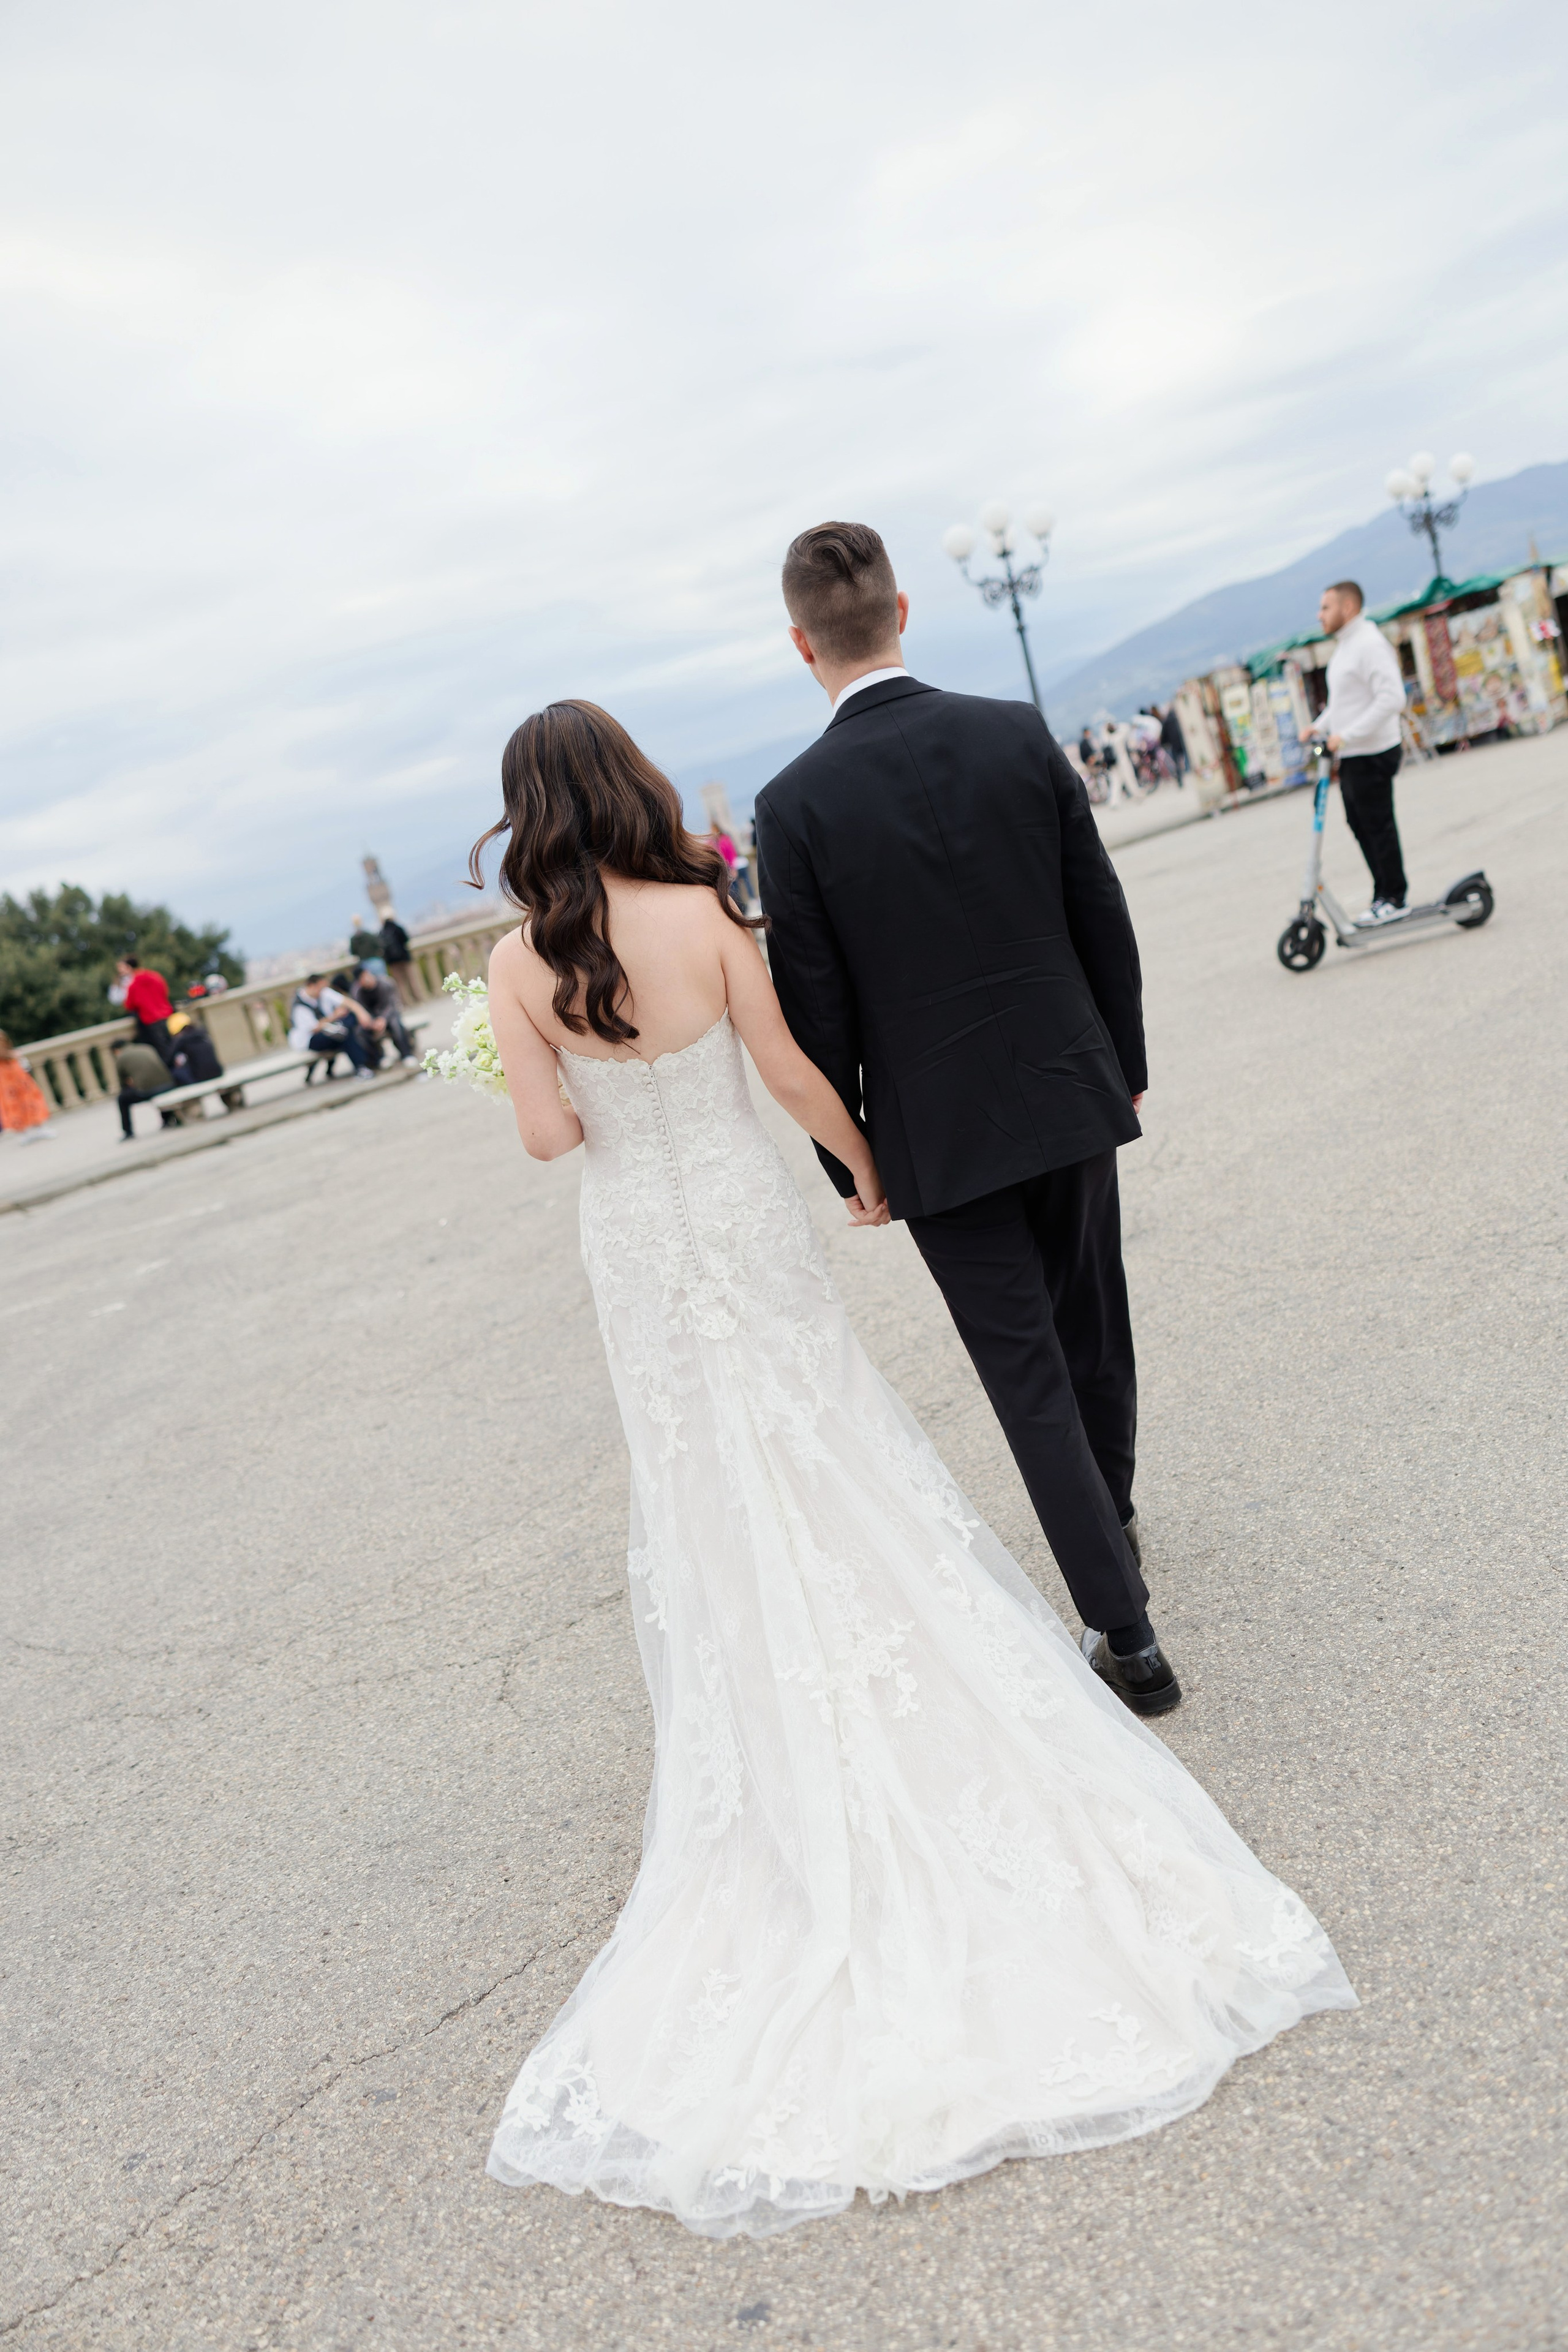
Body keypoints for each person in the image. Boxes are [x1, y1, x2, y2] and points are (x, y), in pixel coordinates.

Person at [478, 696, 1354, 2237]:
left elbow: (550, 1140)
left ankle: (766, 1702)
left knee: (704, 1471)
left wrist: (529, 1074)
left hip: (638, 1243)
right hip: (743, 1219)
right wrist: (862, 1165)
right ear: (625, 784)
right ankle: (1045, 1617)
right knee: (821, 1429)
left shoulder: (513, 964)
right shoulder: (696, 909)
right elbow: (792, 1067)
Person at [758, 523, 1163, 1705]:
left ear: (801, 645)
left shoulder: (794, 806)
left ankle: (1127, 1637)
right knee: (1095, 1325)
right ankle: (1115, 1523)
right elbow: (1102, 912)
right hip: (1067, 1086)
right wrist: (1121, 1063)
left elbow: (814, 1007)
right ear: (904, 610)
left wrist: (853, 1167)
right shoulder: (1014, 730)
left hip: (937, 1135)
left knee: (1025, 1371)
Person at [1312, 580, 1408, 921]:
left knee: (1377, 824)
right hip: (1353, 753)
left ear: (1347, 608)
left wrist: (1346, 735)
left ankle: (1394, 898)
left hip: (1373, 751)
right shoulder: (1345, 647)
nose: (1320, 615)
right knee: (1360, 823)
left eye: (1326, 607)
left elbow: (1393, 698)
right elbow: (1346, 703)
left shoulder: (1368, 643)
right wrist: (1321, 726)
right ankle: (1383, 893)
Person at [287, 974, 375, 1077]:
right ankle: (362, 1066)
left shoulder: (324, 992)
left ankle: (364, 1064)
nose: (323, 991)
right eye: (321, 988)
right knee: (344, 1034)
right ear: (312, 986)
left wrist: (362, 1014)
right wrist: (334, 1016)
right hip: (310, 1039)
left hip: (331, 1030)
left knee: (348, 1025)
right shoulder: (299, 1006)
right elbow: (314, 1028)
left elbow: (348, 1002)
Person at [166, 1011, 244, 1111]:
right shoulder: (202, 1034)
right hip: (218, 1072)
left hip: (200, 1077)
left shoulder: (181, 1041)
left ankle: (190, 1104)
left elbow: (170, 1061)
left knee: (176, 1073)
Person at [349, 963, 419, 1066]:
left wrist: (383, 1019)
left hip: (389, 1015)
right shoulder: (357, 991)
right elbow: (362, 1009)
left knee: (396, 1025)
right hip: (372, 1019)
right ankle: (379, 1058)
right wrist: (372, 1022)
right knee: (360, 1032)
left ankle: (406, 1054)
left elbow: (392, 1005)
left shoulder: (385, 983)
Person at [113, 956, 177, 1066]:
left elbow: (129, 1005)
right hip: (168, 1015)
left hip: (151, 1020)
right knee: (175, 1045)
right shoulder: (155, 976)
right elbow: (165, 991)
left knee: (163, 1051)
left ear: (129, 968)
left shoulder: (133, 984)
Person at [113, 1038, 181, 1139]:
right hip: (169, 1085)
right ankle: (168, 1119)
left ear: (117, 1050)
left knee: (123, 1099)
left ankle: (128, 1132)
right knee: (157, 1086)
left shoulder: (121, 1058)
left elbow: (123, 1084)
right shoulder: (146, 1048)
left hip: (148, 1091)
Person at [0, 1033, 53, 1142]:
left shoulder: (15, 1056)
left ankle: (39, 1128)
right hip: (9, 1091)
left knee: (32, 1105)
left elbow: (25, 1068)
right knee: (15, 1109)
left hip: (23, 1086)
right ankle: (23, 1133)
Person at [380, 912, 418, 1006]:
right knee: (411, 979)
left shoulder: (382, 932)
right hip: (404, 958)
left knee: (399, 983)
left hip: (393, 962)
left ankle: (406, 1002)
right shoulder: (397, 928)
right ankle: (417, 999)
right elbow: (406, 940)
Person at [1158, 700, 1188, 782]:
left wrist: (1164, 743)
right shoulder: (1178, 718)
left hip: (1174, 744)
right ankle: (1188, 770)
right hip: (1183, 740)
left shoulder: (1166, 722)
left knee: (1177, 760)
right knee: (1186, 756)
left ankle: (1180, 776)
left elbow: (1164, 735)